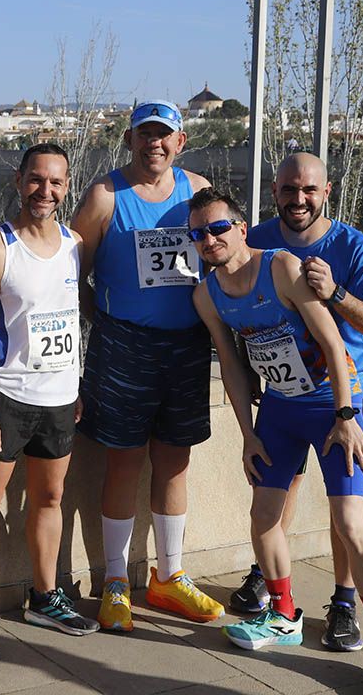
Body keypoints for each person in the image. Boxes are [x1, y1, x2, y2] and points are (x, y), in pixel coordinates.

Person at [188, 187, 363, 695]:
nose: (209, 240)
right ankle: (284, 616)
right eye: (198, 234)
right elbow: (233, 366)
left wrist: (348, 415)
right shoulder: (207, 294)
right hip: (281, 412)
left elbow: (334, 342)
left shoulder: (283, 267)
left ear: (241, 229)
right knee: (263, 520)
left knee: (352, 523)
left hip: (331, 407)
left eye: (218, 228)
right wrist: (246, 434)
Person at [228, 152, 363, 654]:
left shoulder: (352, 246)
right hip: (282, 397)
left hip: (343, 396)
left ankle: (344, 602)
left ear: (326, 192)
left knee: (343, 509)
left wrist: (336, 292)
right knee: (281, 489)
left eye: (308, 190)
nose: (297, 199)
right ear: (274, 190)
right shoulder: (255, 239)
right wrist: (250, 358)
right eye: (287, 189)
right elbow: (236, 295)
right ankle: (269, 576)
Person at [69, 100, 222, 632]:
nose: (154, 144)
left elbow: (225, 256)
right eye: (144, 135)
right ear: (129, 139)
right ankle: (115, 580)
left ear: (180, 142)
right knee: (124, 461)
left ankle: (169, 576)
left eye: (165, 136)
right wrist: (107, 322)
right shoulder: (105, 197)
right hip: (124, 346)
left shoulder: (197, 189)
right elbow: (71, 275)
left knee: (174, 461)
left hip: (186, 344)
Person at [0, 143, 98, 658]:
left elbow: (69, 317)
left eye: (56, 182)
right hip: (7, 397)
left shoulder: (75, 245)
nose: (46, 191)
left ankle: (45, 595)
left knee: (50, 500)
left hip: (59, 399)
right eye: (36, 180)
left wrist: (76, 385)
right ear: (19, 181)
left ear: (67, 187)